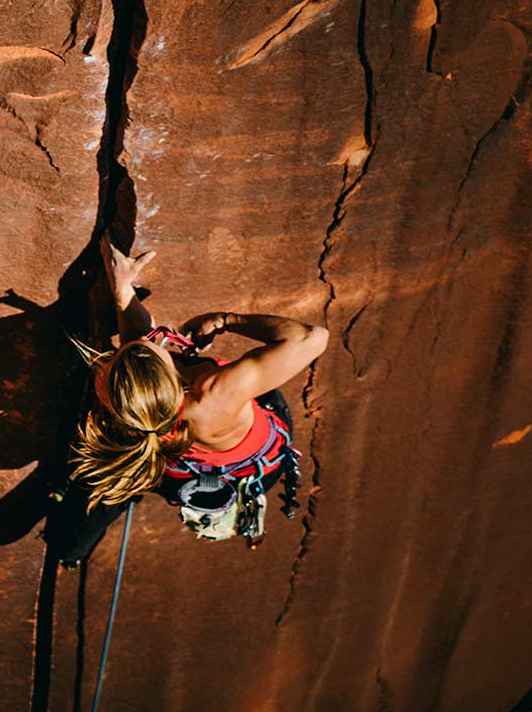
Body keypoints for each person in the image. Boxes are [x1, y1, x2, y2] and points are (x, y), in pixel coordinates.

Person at [46, 234, 329, 563]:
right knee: (266, 390)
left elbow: (136, 352)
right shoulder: (216, 392)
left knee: (116, 481)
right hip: (251, 471)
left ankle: (69, 548)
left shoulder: (124, 403)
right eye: (158, 342)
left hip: (168, 469)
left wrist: (122, 290)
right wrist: (226, 320)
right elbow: (312, 338)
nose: (161, 335)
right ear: (170, 376)